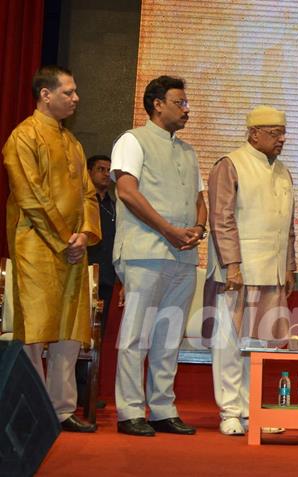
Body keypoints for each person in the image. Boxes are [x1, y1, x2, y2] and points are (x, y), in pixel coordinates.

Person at [2, 65, 100, 432]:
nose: (76, 99)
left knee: (69, 330)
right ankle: (35, 409)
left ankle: (62, 409)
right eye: (68, 92)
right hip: (37, 244)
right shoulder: (23, 137)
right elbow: (30, 196)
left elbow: (88, 194)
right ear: (45, 95)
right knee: (36, 328)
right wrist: (64, 239)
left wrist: (85, 234)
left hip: (74, 247)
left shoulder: (72, 142)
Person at [111, 75, 207, 437]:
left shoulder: (187, 150)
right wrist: (168, 229)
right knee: (136, 335)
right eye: (180, 102)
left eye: (186, 103)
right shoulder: (131, 140)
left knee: (168, 336)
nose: (186, 109)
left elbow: (200, 199)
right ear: (157, 104)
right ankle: (130, 411)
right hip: (144, 252)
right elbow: (127, 192)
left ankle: (162, 408)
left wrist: (198, 228)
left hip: (182, 256)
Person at [206, 106, 295, 436]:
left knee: (260, 344)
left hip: (271, 272)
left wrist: (289, 267)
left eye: (283, 133)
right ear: (253, 133)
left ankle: (250, 410)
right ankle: (230, 410)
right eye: (275, 133)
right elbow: (221, 219)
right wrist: (232, 265)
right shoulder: (230, 165)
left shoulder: (283, 171)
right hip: (238, 271)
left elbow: (288, 227)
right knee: (230, 342)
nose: (281, 139)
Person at [86, 154, 119, 332]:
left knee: (100, 330)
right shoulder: (81, 202)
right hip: (84, 272)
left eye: (109, 170)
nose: (106, 174)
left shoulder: (115, 206)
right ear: (88, 172)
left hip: (107, 275)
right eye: (101, 169)